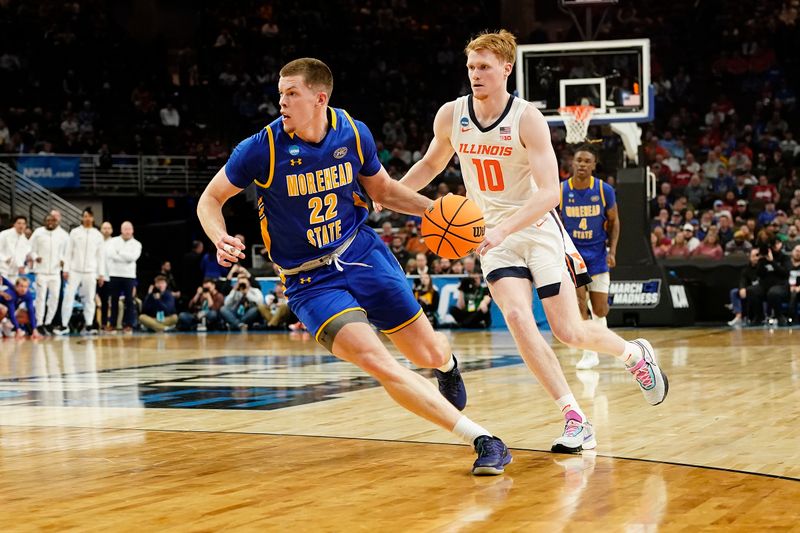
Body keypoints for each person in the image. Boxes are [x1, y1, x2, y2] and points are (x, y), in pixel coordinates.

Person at [196, 57, 511, 474]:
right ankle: (484, 439)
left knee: (428, 351)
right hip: (309, 281)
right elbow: (210, 199)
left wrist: (434, 210)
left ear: (319, 98)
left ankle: (447, 366)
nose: (282, 102)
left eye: (291, 93)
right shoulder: (260, 148)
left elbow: (382, 190)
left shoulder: (353, 132)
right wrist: (219, 236)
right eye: (280, 94)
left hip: (362, 252)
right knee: (379, 362)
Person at [394, 30, 668, 454]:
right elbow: (431, 162)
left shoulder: (527, 118)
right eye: (471, 67)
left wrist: (506, 227)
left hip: (537, 229)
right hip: (491, 237)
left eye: (484, 66)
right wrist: (386, 194)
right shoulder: (451, 115)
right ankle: (575, 418)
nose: (475, 74)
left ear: (506, 68)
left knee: (569, 331)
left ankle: (633, 355)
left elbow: (549, 193)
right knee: (519, 319)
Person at [559, 146, 619, 369]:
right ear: (572, 163)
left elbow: (614, 222)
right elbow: (554, 222)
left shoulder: (604, 190)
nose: (582, 164)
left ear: (594, 165)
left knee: (600, 309)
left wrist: (612, 251)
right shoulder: (561, 190)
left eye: (587, 161)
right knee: (579, 305)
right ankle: (589, 352)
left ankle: (602, 341)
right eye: (579, 160)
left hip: (598, 255)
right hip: (574, 256)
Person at [54, 208, 106, 335]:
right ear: (82, 218)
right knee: (68, 297)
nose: (87, 218)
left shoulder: (97, 235)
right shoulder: (75, 232)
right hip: (74, 271)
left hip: (90, 272)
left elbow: (100, 256)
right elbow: (68, 252)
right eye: (85, 216)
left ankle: (89, 324)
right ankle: (64, 325)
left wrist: (101, 274)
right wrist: (66, 269)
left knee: (89, 298)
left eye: (89, 216)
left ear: (93, 218)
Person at [28, 213, 69, 335]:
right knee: (41, 298)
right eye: (48, 220)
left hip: (55, 272)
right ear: (44, 221)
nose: (50, 222)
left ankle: (48, 322)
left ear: (57, 222)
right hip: (41, 271)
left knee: (55, 297)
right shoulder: (38, 232)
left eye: (53, 220)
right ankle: (39, 323)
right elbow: (30, 248)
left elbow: (67, 252)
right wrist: (35, 257)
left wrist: (63, 261)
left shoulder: (63, 235)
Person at [106, 221, 142, 333]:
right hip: (115, 274)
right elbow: (111, 255)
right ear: (121, 230)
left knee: (129, 301)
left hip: (129, 276)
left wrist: (119, 253)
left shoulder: (137, 244)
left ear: (132, 230)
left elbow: (132, 258)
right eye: (125, 229)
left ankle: (128, 325)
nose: (127, 231)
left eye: (129, 229)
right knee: (114, 300)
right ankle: (112, 324)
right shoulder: (113, 241)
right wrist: (125, 256)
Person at [727, 248, 760, 327]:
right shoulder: (746, 269)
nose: (756, 258)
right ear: (749, 257)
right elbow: (742, 280)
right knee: (734, 292)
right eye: (753, 256)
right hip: (748, 290)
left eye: (757, 256)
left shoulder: (763, 267)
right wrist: (742, 288)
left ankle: (764, 316)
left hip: (759, 290)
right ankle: (739, 316)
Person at [97, 221, 114, 330]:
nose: (106, 230)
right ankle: (92, 323)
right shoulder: (96, 241)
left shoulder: (115, 242)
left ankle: (104, 323)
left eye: (108, 228)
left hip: (109, 276)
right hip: (95, 275)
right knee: (91, 300)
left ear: (111, 230)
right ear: (100, 230)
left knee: (105, 301)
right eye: (104, 228)